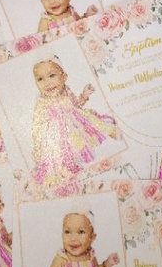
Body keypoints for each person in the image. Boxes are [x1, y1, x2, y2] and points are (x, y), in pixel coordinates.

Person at [31, 55, 119, 185]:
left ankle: (116, 135)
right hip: (63, 133)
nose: (47, 83)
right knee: (68, 153)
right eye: (40, 79)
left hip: (79, 121)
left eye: (52, 75)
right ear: (36, 83)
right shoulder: (42, 102)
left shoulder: (66, 91)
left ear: (64, 77)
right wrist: (39, 146)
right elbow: (37, 124)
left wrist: (85, 94)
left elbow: (76, 105)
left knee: (98, 124)